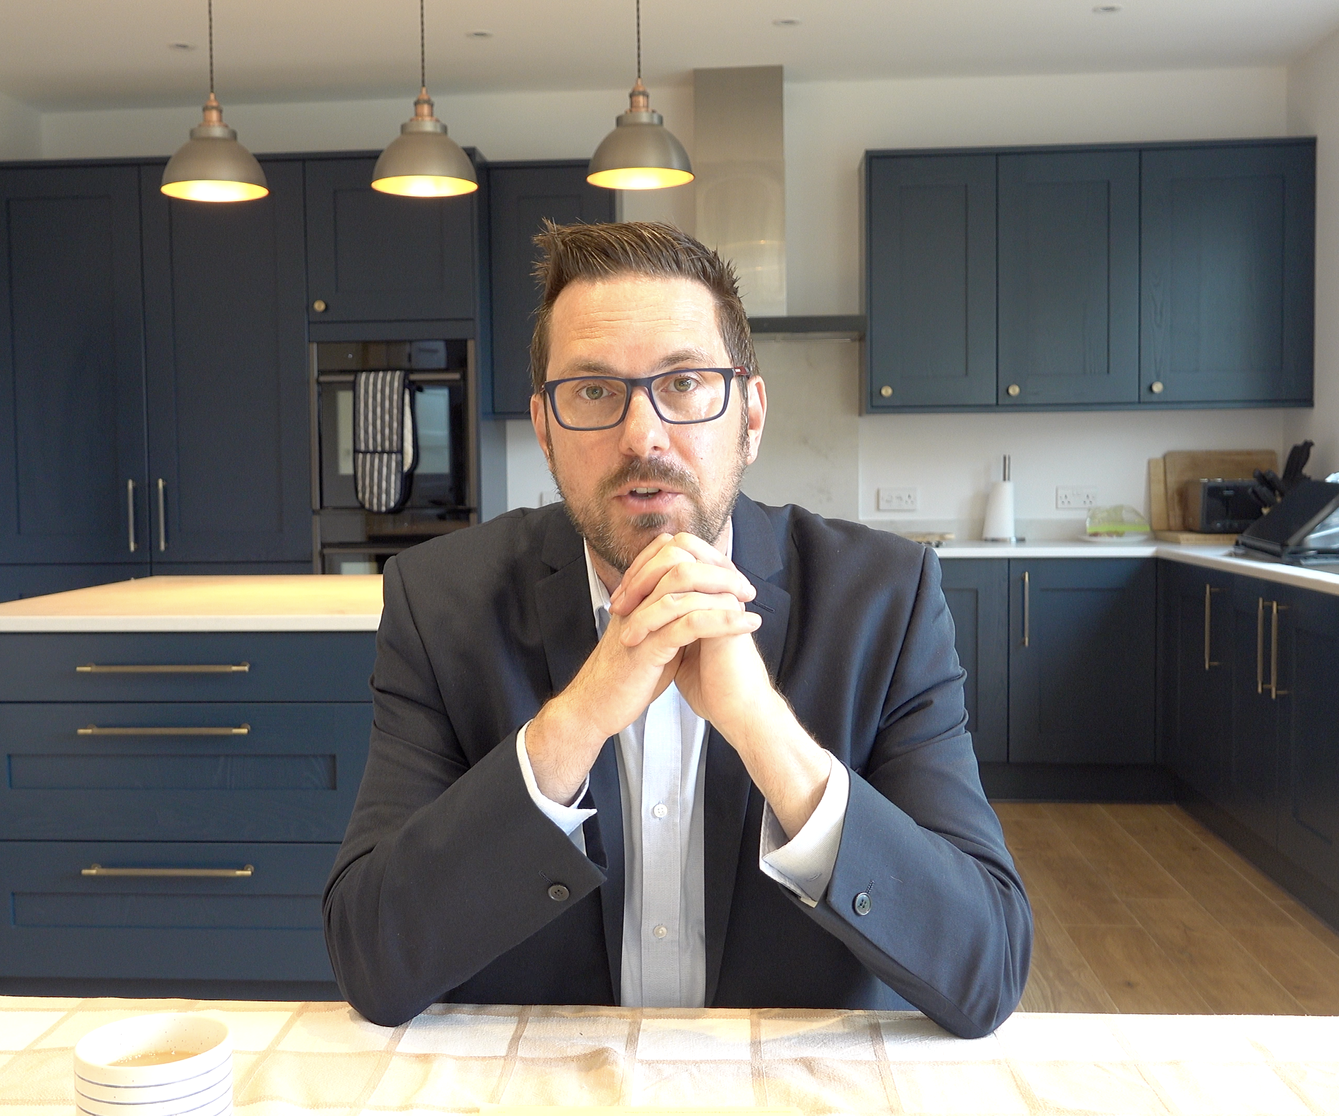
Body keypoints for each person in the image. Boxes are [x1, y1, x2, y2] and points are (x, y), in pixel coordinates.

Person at [322, 220, 1030, 1037]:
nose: (642, 436)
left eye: (685, 382)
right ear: (546, 429)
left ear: (750, 416)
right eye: (593, 391)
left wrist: (763, 726)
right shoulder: (439, 602)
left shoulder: (884, 599)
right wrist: (576, 720)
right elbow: (372, 961)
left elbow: (987, 967)